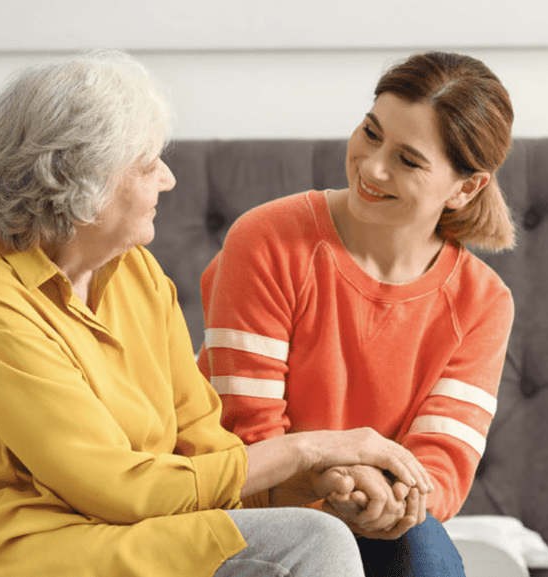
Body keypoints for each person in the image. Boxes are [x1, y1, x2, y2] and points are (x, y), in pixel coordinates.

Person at [0, 50, 433, 577]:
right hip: (4, 545)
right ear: (85, 183)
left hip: (120, 527)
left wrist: (311, 481)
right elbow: (115, 488)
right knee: (310, 542)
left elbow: (205, 449)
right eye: (149, 164)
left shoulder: (136, 270)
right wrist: (310, 448)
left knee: (376, 537)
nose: (169, 179)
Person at [198, 51, 516, 576]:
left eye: (408, 160)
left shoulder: (483, 302)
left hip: (379, 522)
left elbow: (439, 464)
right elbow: (245, 440)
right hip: (249, 513)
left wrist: (382, 500)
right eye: (371, 133)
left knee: (420, 541)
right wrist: (335, 481)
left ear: (466, 188)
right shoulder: (267, 241)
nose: (372, 167)